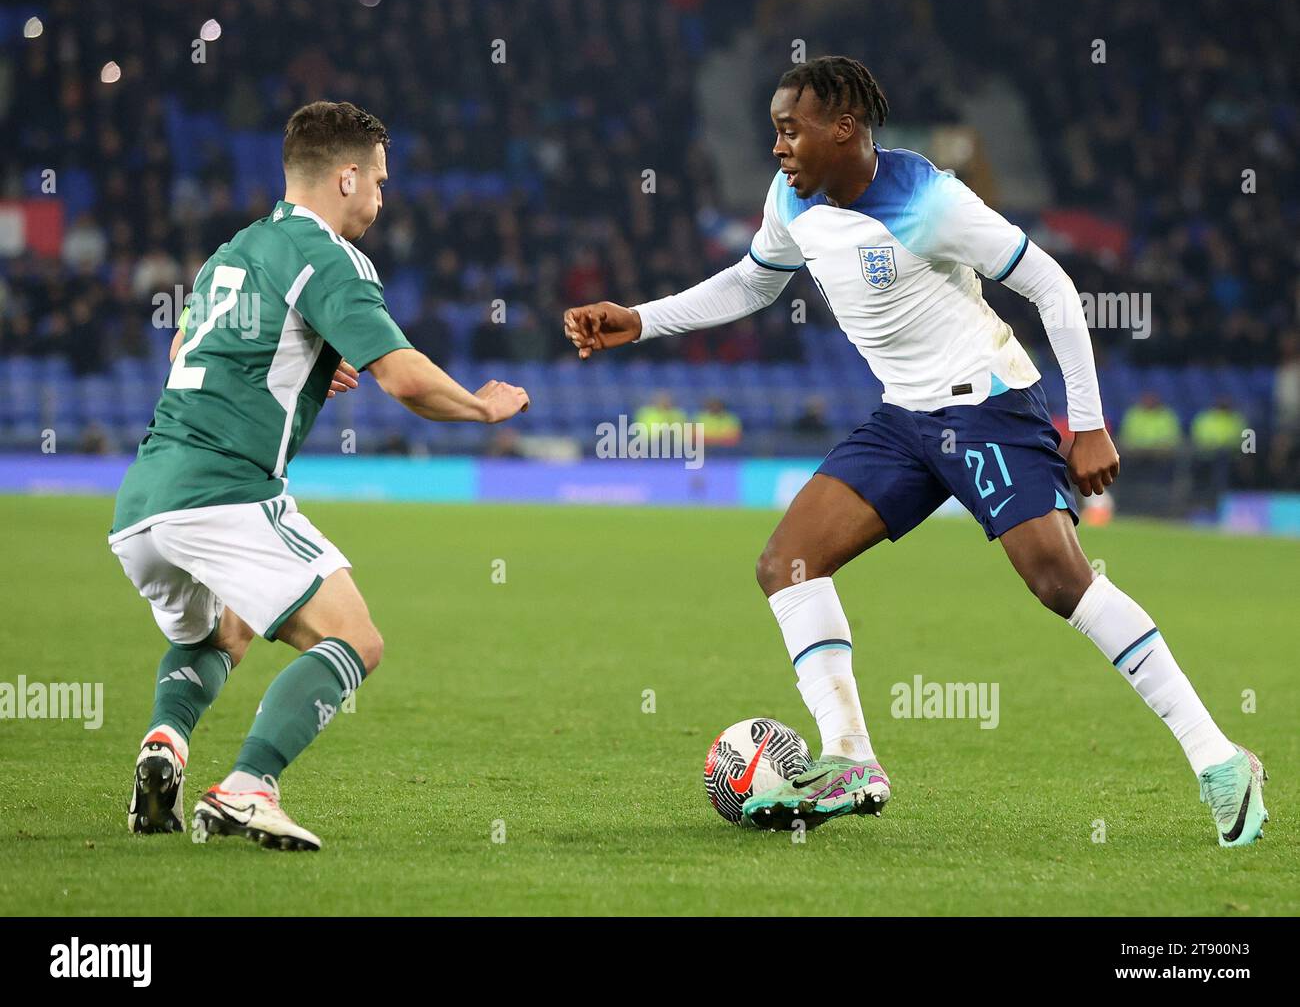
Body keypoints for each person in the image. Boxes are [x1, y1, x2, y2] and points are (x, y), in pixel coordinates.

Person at [564, 57, 1266, 845]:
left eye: (790, 130)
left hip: (988, 406)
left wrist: (1090, 422)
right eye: (773, 132)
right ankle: (850, 756)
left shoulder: (930, 199)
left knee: (1061, 581)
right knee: (786, 563)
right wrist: (640, 318)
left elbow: (1052, 286)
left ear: (846, 129)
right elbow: (755, 282)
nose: (777, 148)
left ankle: (1220, 759)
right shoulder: (791, 199)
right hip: (905, 419)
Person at [111, 101, 529, 850]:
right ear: (345, 177)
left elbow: (184, 350)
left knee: (226, 630)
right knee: (355, 639)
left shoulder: (233, 253)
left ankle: (165, 742)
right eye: (378, 181)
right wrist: (480, 409)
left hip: (143, 504)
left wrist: (301, 357)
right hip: (224, 490)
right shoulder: (328, 255)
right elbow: (402, 379)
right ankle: (247, 787)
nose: (381, 198)